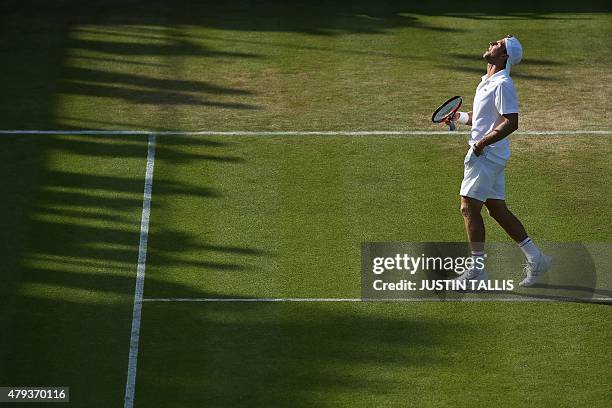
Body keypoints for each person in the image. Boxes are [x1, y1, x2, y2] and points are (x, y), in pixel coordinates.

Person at [446, 35, 551, 287]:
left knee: (468, 208)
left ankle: (477, 271)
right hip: (492, 153)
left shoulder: (502, 83)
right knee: (497, 210)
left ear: (504, 57)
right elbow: (482, 118)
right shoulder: (487, 81)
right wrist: (458, 117)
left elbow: (511, 121)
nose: (492, 43)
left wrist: (482, 144)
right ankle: (537, 259)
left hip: (487, 154)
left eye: (499, 44)